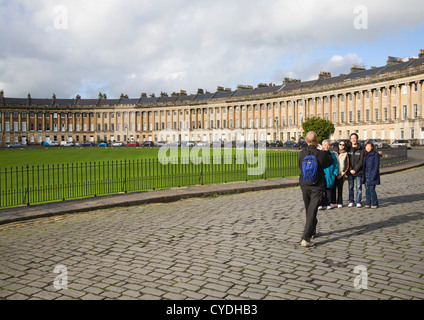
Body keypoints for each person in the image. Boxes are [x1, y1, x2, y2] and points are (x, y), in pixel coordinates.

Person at [298, 132, 334, 247]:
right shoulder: (320, 154)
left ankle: (312, 231)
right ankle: (306, 238)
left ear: (306, 140)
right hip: (317, 185)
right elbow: (331, 161)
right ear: (316, 140)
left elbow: (300, 166)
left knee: (309, 209)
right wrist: (325, 151)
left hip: (305, 185)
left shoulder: (302, 153)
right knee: (312, 211)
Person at [318, 140, 339, 210]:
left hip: (330, 175)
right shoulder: (320, 154)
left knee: (328, 190)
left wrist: (335, 174)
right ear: (322, 146)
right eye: (325, 145)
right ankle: (321, 203)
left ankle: (328, 203)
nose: (327, 147)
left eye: (328, 145)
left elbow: (336, 164)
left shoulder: (332, 155)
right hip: (322, 175)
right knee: (321, 191)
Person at [347, 133, 364, 208]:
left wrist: (355, 169)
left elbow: (361, 161)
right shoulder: (348, 149)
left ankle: (358, 201)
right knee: (350, 187)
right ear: (350, 140)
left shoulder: (361, 149)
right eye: (352, 138)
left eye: (355, 138)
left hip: (358, 171)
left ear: (357, 139)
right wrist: (350, 169)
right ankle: (351, 201)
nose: (354, 139)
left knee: (358, 187)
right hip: (350, 171)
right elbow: (346, 160)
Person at [362, 142, 380, 208]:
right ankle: (368, 203)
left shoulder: (375, 155)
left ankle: (375, 203)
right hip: (366, 174)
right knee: (367, 190)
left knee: (372, 189)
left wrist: (374, 175)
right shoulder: (365, 154)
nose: (368, 148)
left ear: (372, 147)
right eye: (367, 146)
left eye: (369, 146)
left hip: (372, 174)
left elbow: (376, 166)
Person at [332, 140, 349, 208]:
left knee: (340, 188)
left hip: (341, 173)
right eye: (340, 144)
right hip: (334, 173)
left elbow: (347, 165)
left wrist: (342, 173)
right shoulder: (334, 153)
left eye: (343, 145)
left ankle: (339, 202)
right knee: (333, 188)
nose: (341, 146)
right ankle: (333, 202)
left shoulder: (345, 154)